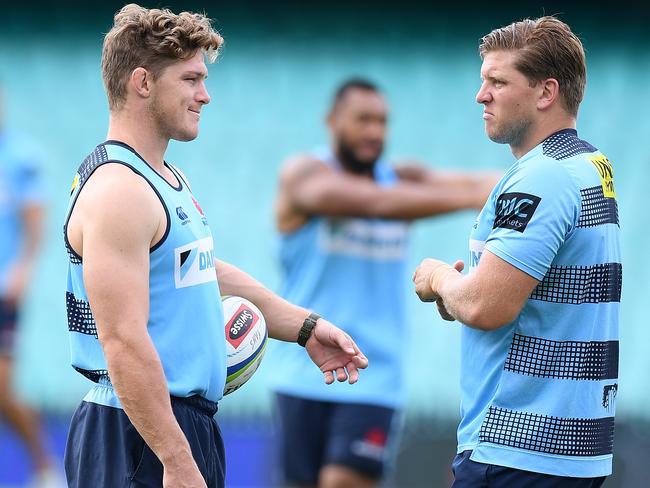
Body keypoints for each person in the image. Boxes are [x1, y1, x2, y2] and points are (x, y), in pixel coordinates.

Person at [62, 5, 368, 488]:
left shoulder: (163, 177)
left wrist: (306, 327)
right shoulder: (119, 190)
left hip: (175, 429)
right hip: (138, 435)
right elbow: (121, 339)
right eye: (190, 79)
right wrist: (177, 461)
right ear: (142, 82)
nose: (205, 95)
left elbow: (203, 272)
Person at [413, 16, 621, 488]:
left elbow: (488, 306)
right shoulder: (590, 165)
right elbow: (532, 297)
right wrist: (463, 294)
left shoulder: (542, 176)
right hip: (572, 449)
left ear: (546, 92)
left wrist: (440, 278)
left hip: (520, 448)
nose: (480, 95)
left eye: (497, 81)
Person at [271, 78, 498, 488]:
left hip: (373, 375)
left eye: (382, 122)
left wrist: (536, 185)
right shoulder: (303, 174)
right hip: (302, 370)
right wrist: (466, 197)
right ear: (332, 120)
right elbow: (374, 202)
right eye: (363, 120)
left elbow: (472, 184)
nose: (374, 131)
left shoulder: (402, 177)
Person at [0, 86, 63, 487]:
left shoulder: (19, 157)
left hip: (3, 292)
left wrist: (21, 271)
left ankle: (45, 467)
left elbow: (35, 221)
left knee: (1, 387)